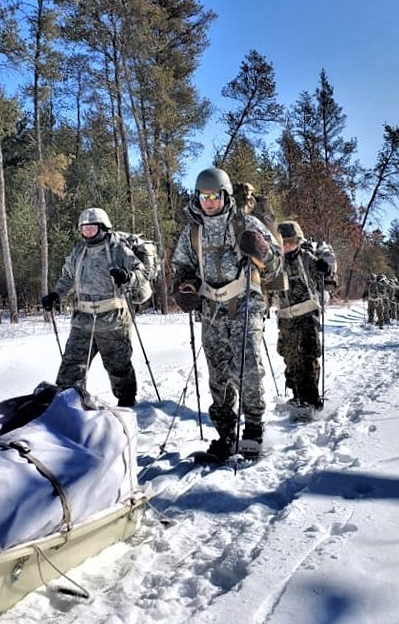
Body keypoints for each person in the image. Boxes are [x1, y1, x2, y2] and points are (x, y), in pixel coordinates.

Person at [171, 167, 283, 461]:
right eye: (203, 196)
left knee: (247, 367)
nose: (208, 201)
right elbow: (181, 265)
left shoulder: (246, 222)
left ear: (225, 195)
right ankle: (225, 434)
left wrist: (261, 250)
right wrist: (186, 286)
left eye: (214, 196)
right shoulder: (193, 230)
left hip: (245, 302)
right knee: (218, 375)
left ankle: (253, 430)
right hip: (210, 308)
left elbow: (276, 264)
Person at [42, 207, 148, 407]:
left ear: (103, 227)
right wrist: (56, 295)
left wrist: (127, 276)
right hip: (83, 320)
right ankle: (66, 406)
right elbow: (67, 278)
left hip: (113, 319)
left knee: (119, 368)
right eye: (84, 229)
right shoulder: (79, 252)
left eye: (92, 228)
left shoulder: (118, 249)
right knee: (71, 366)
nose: (88, 232)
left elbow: (141, 273)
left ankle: (126, 404)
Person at [276, 220, 338, 413]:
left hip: (308, 314)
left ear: (299, 241)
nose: (287, 246)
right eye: (283, 242)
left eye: (291, 242)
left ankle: (311, 399)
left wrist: (325, 269)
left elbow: (329, 279)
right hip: (286, 317)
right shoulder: (275, 261)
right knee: (290, 356)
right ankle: (296, 396)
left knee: (308, 355)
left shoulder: (307, 258)